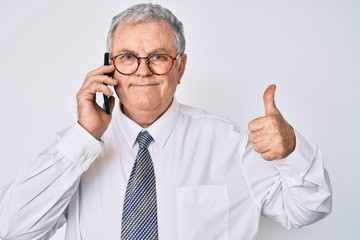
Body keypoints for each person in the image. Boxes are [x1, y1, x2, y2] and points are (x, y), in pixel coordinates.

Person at [0, 3, 332, 240]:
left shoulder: (230, 143)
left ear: (180, 67)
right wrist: (84, 137)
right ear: (108, 66)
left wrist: (291, 153)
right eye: (128, 57)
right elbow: (12, 230)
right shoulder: (77, 151)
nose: (143, 70)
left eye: (158, 57)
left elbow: (308, 210)